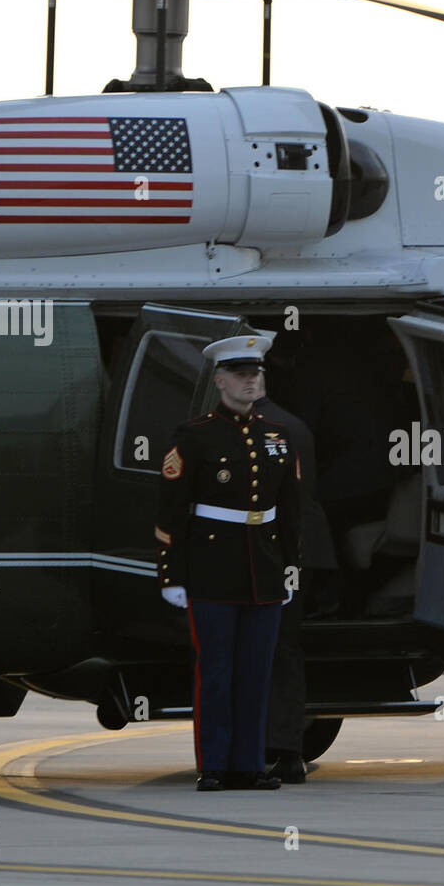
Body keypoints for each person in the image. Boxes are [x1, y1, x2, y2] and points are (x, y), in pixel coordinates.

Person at [155, 333, 301, 792]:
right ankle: (215, 764)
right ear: (220, 380)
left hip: (263, 570)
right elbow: (171, 511)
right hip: (211, 569)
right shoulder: (194, 436)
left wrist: (290, 565)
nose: (250, 382)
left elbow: (290, 510)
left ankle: (250, 765)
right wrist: (171, 573)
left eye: (255, 373)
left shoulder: (278, 437)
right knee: (216, 671)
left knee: (257, 673)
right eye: (240, 375)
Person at [254, 365, 337, 784]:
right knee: (283, 651)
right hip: (296, 554)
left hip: (270, 553)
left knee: (265, 650)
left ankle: (260, 747)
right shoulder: (291, 424)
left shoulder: (264, 429)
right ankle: (285, 749)